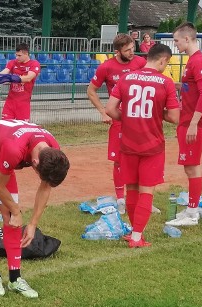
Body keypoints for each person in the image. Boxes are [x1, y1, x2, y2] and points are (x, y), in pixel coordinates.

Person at [0, 119, 70, 298]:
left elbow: (45, 186)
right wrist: (17, 211)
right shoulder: (14, 150)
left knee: (10, 219)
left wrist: (32, 224)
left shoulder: (53, 150)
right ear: (34, 162)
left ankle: (15, 278)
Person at [105, 44, 180, 247]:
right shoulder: (165, 82)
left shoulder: (126, 78)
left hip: (128, 143)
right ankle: (137, 236)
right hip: (152, 145)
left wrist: (128, 118)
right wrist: (158, 114)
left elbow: (110, 109)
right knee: (147, 190)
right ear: (163, 60)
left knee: (132, 188)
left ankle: (133, 231)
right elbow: (174, 116)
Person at [87, 33, 157, 215]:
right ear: (117, 51)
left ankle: (145, 198)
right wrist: (103, 111)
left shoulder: (141, 63)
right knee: (119, 160)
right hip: (119, 120)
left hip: (140, 120)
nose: (132, 52)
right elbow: (91, 91)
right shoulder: (107, 67)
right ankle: (120, 199)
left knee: (143, 158)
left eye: (133, 48)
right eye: (127, 50)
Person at [165, 22, 202, 227]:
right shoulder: (192, 61)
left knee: (192, 168)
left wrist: (194, 123)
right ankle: (192, 209)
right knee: (189, 167)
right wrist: (170, 84)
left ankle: (192, 214)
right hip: (186, 120)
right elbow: (190, 87)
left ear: (187, 38)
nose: (175, 44)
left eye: (176, 40)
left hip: (193, 122)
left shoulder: (199, 61)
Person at [0, 43, 41, 121]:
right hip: (10, 102)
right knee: (6, 125)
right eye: (16, 55)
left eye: (19, 55)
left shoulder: (34, 64)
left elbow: (28, 78)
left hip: (23, 103)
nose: (17, 57)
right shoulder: (12, 62)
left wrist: (14, 78)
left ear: (26, 54)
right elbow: (4, 72)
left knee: (21, 127)